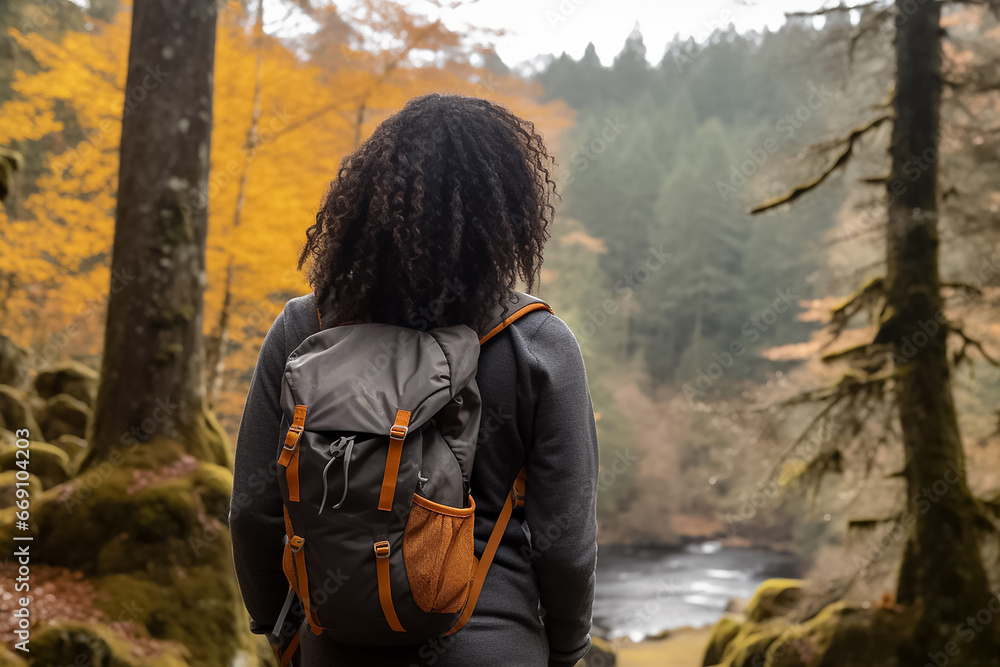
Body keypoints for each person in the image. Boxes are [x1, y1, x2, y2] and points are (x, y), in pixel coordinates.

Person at [230, 93, 599, 667]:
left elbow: (253, 511)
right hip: (494, 647)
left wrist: (280, 628)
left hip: (337, 646)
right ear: (507, 215)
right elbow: (566, 543)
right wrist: (568, 646)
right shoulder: (539, 344)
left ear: (368, 201)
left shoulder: (305, 327)